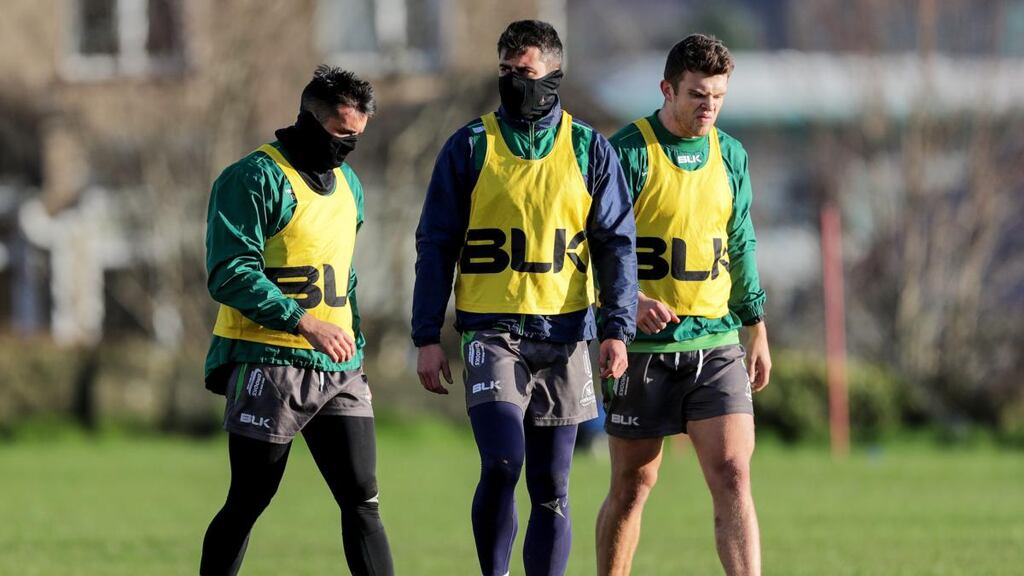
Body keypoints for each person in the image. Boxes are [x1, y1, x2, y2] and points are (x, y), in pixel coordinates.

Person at [412, 20, 637, 576]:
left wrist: (617, 327)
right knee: (503, 461)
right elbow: (435, 245)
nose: (515, 82)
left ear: (555, 75)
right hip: (492, 333)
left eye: (527, 72)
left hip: (566, 337)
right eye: (506, 72)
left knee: (552, 486)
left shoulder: (589, 150)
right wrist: (426, 336)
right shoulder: (469, 146)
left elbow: (616, 245)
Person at [199, 65, 393, 576]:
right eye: (339, 134)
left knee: (363, 499)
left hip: (339, 365)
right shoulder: (252, 178)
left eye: (356, 139)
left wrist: (354, 339)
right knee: (249, 500)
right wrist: (302, 322)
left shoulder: (350, 183)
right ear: (309, 120)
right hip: (269, 360)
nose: (347, 148)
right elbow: (230, 273)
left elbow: (341, 275)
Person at [595, 34, 772, 576]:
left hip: (715, 341)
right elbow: (590, 247)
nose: (708, 106)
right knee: (634, 484)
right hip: (643, 348)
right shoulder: (627, 152)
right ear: (667, 89)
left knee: (734, 474)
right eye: (697, 94)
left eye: (718, 96)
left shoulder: (731, 155)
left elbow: (739, 241)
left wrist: (756, 326)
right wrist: (630, 302)